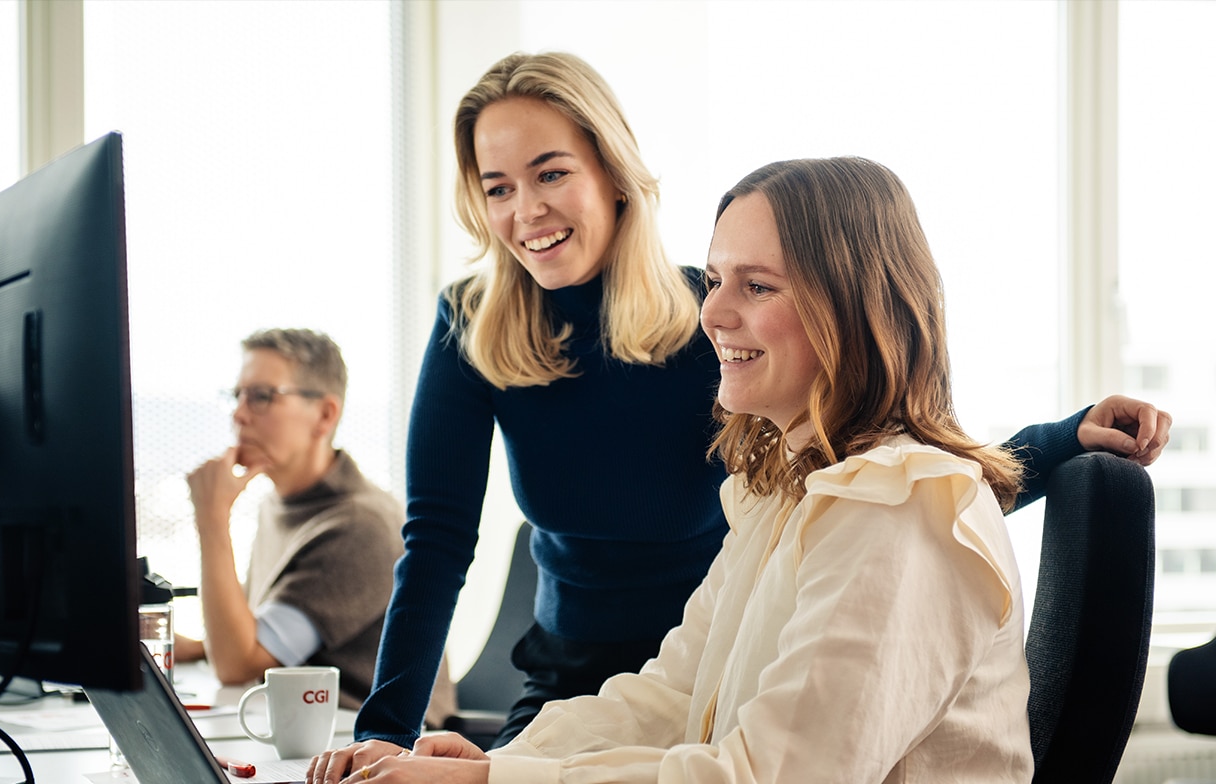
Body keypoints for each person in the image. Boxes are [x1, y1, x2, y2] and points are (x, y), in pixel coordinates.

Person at [330, 50, 1172, 763]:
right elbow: (438, 544)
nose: (525, 211)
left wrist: (1059, 442)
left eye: (550, 173)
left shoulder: (733, 342)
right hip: (634, 675)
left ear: (614, 175)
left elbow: (899, 488)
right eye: (497, 187)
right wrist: (390, 743)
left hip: (749, 670)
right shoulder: (484, 327)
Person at [315, 157, 1043, 782]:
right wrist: (493, 765)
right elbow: (671, 697)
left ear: (854, 310)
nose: (712, 313)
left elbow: (767, 777)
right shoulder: (783, 496)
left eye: (757, 287)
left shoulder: (898, 507)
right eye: (718, 278)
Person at [173, 328, 456, 723]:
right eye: (236, 396)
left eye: (261, 396)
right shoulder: (281, 505)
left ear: (324, 415)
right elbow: (261, 639)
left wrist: (212, 520)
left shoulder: (359, 525)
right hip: (304, 727)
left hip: (372, 745)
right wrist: (202, 646)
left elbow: (238, 664)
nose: (238, 414)